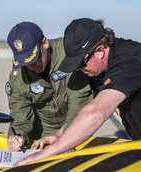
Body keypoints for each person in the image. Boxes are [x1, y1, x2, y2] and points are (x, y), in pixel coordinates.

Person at [13, 18, 141, 166]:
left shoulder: (132, 63)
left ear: (100, 51)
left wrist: (46, 154)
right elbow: (88, 105)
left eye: (80, 63)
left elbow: (97, 111)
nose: (78, 69)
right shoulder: (97, 66)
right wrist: (60, 134)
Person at [5, 21, 93, 152]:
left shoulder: (69, 53)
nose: (30, 67)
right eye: (24, 62)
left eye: (34, 59)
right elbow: (20, 115)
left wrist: (66, 136)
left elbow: (80, 99)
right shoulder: (18, 77)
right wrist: (18, 136)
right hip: (41, 137)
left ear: (44, 43)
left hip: (75, 128)